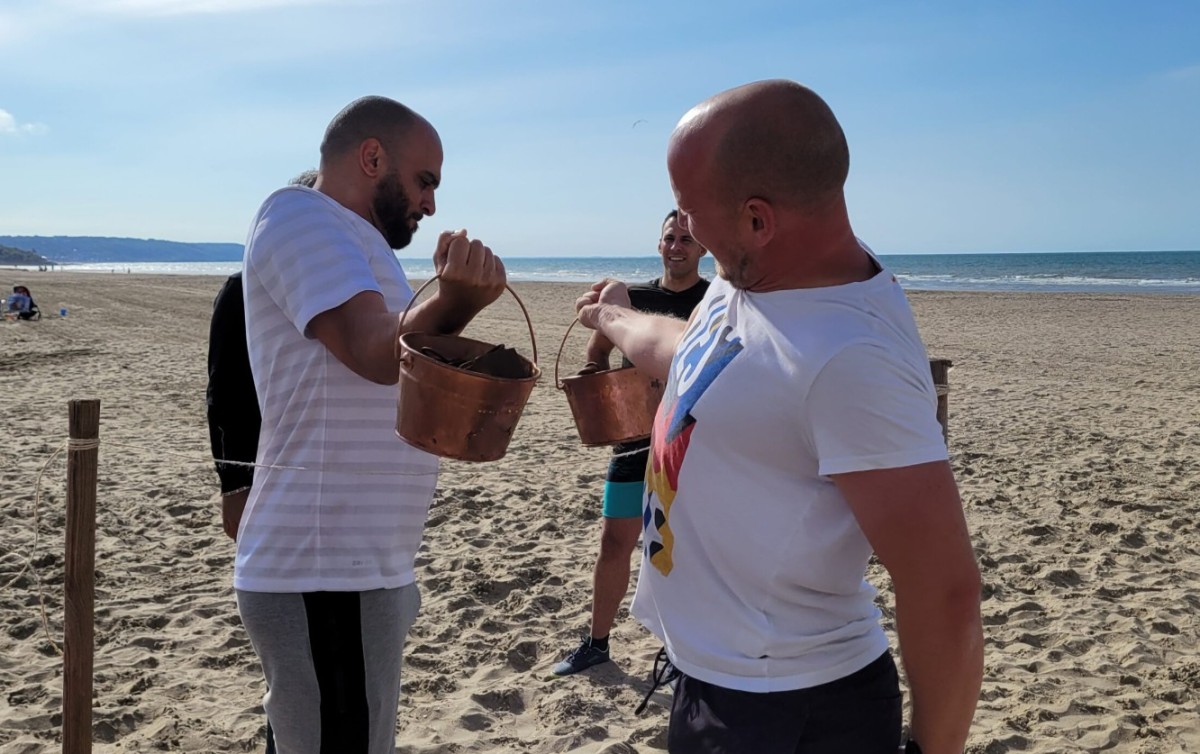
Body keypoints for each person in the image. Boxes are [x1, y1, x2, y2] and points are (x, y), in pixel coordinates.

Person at [574, 80, 983, 754]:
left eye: (689, 210)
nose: (686, 230)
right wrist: (612, 317)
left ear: (758, 220)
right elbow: (690, 350)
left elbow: (944, 591)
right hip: (717, 678)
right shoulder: (754, 279)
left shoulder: (852, 358)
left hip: (788, 706)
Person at [236, 96, 506, 754]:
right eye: (425, 181)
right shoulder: (300, 215)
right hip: (325, 568)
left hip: (356, 568)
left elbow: (391, 371)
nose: (431, 204)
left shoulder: (359, 245)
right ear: (372, 157)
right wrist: (455, 300)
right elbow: (371, 351)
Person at [552, 211, 709, 676]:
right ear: (659, 244)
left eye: (687, 239)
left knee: (683, 551)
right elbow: (597, 352)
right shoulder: (633, 300)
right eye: (670, 237)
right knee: (614, 542)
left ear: (703, 249)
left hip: (688, 446)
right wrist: (600, 391)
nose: (676, 246)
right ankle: (597, 643)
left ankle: (683, 655)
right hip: (634, 443)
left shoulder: (712, 301)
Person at [206, 170, 318, 544]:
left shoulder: (346, 294)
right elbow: (224, 395)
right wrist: (234, 485)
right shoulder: (243, 289)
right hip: (265, 466)